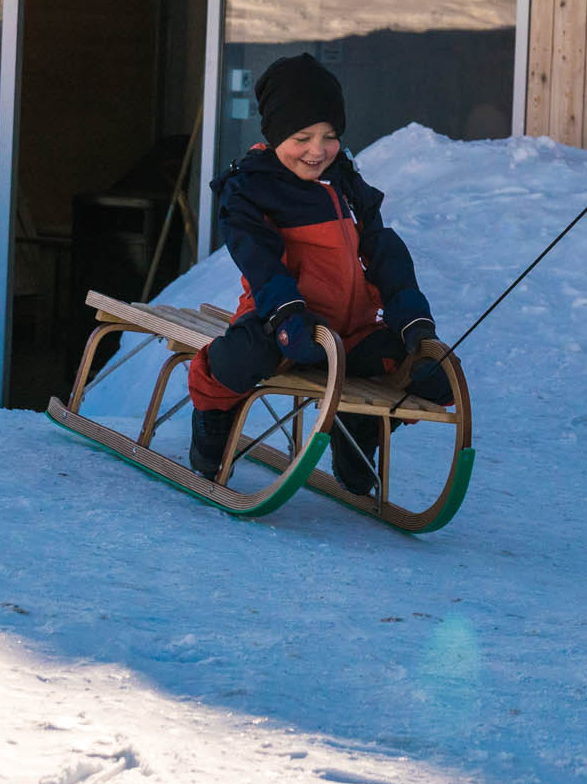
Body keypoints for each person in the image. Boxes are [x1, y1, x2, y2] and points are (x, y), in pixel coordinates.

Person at [185, 53, 451, 496]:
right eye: (302, 137)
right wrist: (289, 316)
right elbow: (261, 262)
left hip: (350, 333)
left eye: (329, 137)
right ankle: (214, 412)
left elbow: (382, 249)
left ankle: (358, 431)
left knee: (428, 372)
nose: (317, 151)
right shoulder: (252, 187)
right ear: (274, 136)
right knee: (244, 356)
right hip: (282, 322)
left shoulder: (343, 181)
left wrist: (409, 314)